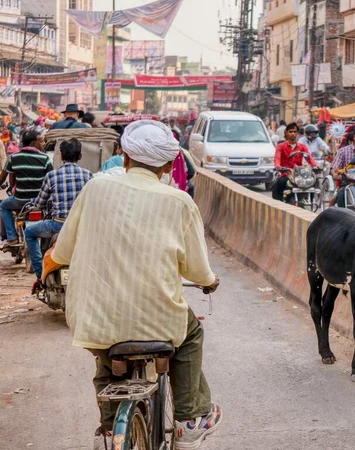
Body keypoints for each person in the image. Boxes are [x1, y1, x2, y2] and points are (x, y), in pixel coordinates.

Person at [48, 120, 222, 450]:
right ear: (170, 165)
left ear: (124, 157)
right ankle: (189, 418)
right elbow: (198, 270)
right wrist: (209, 282)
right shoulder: (179, 201)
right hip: (159, 321)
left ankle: (109, 429)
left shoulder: (95, 188)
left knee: (107, 363)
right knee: (190, 335)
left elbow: (63, 251)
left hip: (96, 318)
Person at [25, 138, 92, 287]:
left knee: (29, 232)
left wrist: (35, 206)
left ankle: (39, 275)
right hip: (81, 226)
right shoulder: (88, 175)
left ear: (61, 156)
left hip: (57, 225)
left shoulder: (52, 176)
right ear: (80, 156)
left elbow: (40, 203)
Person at [0, 130, 52, 247]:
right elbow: (51, 178)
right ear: (34, 143)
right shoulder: (45, 158)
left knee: (3, 206)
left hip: (20, 200)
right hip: (39, 201)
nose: (42, 144)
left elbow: (2, 179)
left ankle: (12, 237)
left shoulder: (13, 158)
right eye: (40, 142)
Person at [273, 123, 317, 201]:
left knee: (312, 182)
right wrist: (278, 166)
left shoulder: (302, 146)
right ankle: (279, 202)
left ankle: (310, 201)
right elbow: (277, 158)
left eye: (294, 131)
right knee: (281, 183)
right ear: (286, 133)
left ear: (297, 133)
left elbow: (309, 157)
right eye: (290, 131)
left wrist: (315, 166)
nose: (293, 134)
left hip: (299, 174)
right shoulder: (281, 146)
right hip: (286, 173)